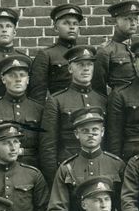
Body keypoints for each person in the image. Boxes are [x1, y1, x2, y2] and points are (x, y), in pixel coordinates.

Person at [45, 107, 125, 211]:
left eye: (95, 130)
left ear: (102, 132)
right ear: (77, 134)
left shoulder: (117, 165)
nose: (91, 134)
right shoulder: (66, 168)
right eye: (85, 131)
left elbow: (125, 206)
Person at [39, 45, 107, 185]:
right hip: (69, 169)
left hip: (100, 169)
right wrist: (55, 179)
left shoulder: (102, 100)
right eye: (80, 64)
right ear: (70, 68)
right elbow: (48, 145)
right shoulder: (57, 100)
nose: (86, 68)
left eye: (89, 64)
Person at [0, 55, 43, 170]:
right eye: (12, 75)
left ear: (28, 80)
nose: (18, 79)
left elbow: (45, 147)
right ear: (3, 79)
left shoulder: (39, 109)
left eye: (22, 75)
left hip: (32, 169)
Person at [29, 3, 84, 102]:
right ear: (55, 28)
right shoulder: (47, 54)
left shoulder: (85, 54)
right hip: (59, 109)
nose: (72, 27)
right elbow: (38, 94)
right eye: (66, 23)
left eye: (75, 23)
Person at [93, 0, 139, 94]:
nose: (133, 23)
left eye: (135, 19)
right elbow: (98, 88)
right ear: (116, 21)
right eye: (128, 19)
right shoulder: (106, 50)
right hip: (118, 104)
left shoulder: (138, 48)